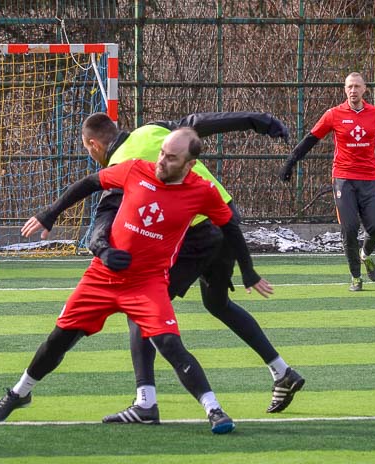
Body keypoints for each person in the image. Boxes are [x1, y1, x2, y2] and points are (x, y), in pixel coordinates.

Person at [0, 128, 265, 434]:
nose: (162, 161)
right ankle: (19, 393)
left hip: (147, 283)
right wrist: (50, 214)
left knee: (170, 344)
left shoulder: (202, 191)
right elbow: (89, 183)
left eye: (171, 158)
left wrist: (248, 271)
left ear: (189, 165)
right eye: (161, 153)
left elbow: (231, 228)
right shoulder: (135, 169)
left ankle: (214, 410)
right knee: (59, 340)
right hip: (101, 277)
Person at [83, 111, 305, 422]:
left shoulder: (122, 163)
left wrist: (100, 248)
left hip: (195, 237)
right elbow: (201, 122)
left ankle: (145, 402)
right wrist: (260, 121)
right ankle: (282, 371)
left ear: (93, 145)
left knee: (141, 309)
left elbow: (105, 215)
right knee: (218, 304)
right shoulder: (154, 130)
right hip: (226, 225)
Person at [279, 72, 375, 291]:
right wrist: (290, 163)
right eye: (349, 87)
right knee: (350, 227)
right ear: (345, 90)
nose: (353, 90)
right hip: (343, 179)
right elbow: (310, 139)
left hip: (370, 178)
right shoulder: (333, 114)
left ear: (365, 90)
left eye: (357, 86)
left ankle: (365, 254)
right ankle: (355, 277)